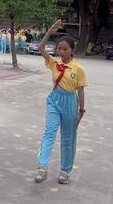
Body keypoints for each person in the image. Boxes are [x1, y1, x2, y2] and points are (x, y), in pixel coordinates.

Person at [35, 19, 88, 185]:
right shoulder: (53, 63)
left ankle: (65, 171)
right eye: (59, 49)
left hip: (70, 103)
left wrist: (81, 111)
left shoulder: (78, 69)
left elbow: (80, 90)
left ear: (72, 50)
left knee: (68, 138)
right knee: (49, 132)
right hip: (54, 100)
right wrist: (50, 30)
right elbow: (41, 48)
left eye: (65, 49)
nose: (61, 52)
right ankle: (42, 167)